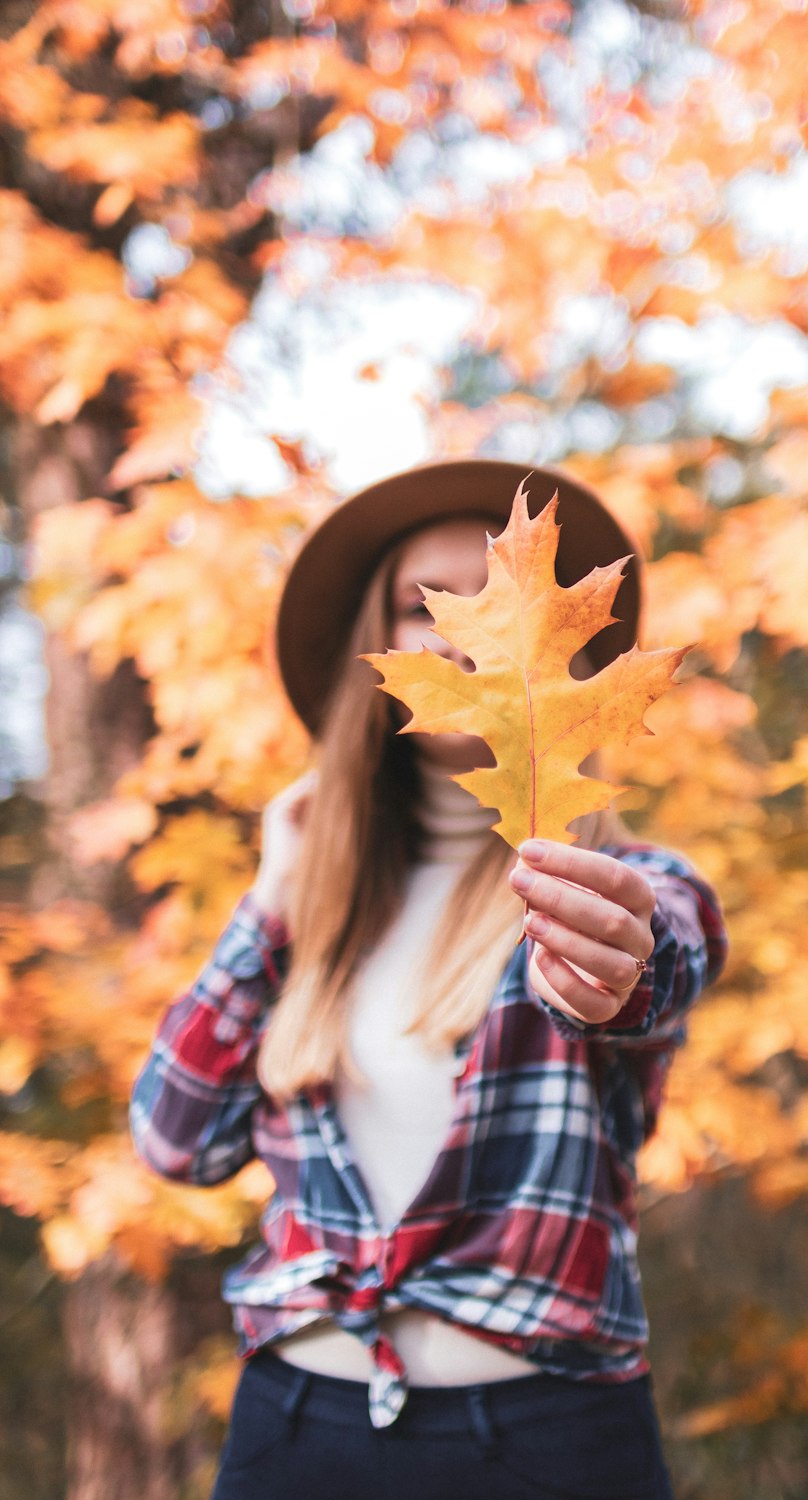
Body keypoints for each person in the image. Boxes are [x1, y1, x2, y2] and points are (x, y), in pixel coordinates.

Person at [130, 458, 727, 1500]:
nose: (459, 627)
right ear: (383, 647)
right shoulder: (309, 915)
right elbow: (174, 1144)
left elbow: (655, 959)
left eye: (493, 599)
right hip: (295, 1427)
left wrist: (614, 968)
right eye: (424, 604)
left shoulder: (629, 887)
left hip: (547, 1436)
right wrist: (272, 897)